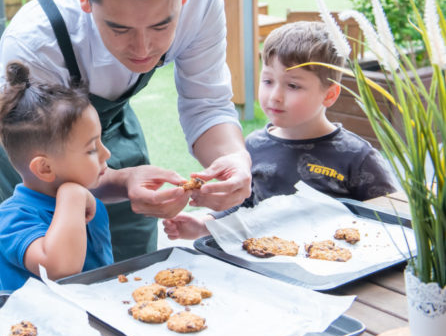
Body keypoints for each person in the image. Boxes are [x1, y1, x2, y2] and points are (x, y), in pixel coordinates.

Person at [0, 0, 252, 261]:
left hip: (105, 113)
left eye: (160, 27)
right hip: (32, 122)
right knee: (54, 237)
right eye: (119, 29)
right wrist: (122, 182)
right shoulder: (35, 45)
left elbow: (207, 103)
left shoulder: (201, 1)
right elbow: (56, 182)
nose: (143, 50)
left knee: (134, 232)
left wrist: (234, 160)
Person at [163, 21, 399, 240]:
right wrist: (205, 225)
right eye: (268, 81)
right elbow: (246, 206)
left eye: (293, 85)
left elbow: (393, 218)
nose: (275, 96)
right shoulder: (252, 147)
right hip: (263, 267)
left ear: (329, 94)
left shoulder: (357, 157)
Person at [0, 62, 114, 291]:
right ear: (45, 168)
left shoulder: (88, 200)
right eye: (92, 149)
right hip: (37, 326)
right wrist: (73, 195)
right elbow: (59, 270)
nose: (107, 153)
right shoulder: (11, 218)